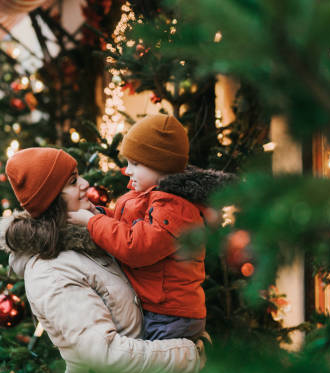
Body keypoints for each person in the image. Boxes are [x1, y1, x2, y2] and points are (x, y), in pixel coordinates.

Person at [0, 147, 204, 373]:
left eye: (79, 175)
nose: (86, 184)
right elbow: (104, 357)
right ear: (52, 200)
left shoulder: (96, 239)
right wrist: (190, 354)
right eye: (73, 181)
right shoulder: (50, 272)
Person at [69, 114, 232, 340]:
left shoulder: (175, 207)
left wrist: (92, 222)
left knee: (158, 371)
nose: (127, 170)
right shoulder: (149, 197)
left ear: (161, 165)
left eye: (135, 164)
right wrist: (97, 214)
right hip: (158, 310)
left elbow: (136, 247)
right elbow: (124, 225)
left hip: (170, 316)